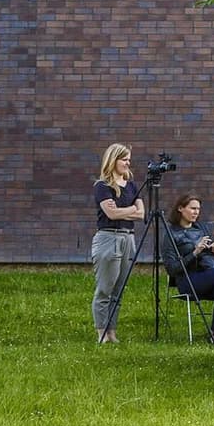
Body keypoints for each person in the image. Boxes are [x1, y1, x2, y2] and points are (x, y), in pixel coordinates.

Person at [89, 143, 144, 344]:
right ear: (113, 160)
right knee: (105, 288)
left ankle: (112, 332)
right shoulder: (102, 186)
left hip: (128, 238)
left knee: (119, 289)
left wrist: (125, 211)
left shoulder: (131, 186)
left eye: (129, 160)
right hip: (108, 238)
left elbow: (141, 214)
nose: (127, 163)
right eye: (124, 159)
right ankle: (101, 332)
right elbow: (110, 214)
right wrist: (129, 210)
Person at [159, 191, 214, 343]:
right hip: (188, 281)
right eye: (192, 208)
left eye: (198, 209)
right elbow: (172, 269)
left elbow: (212, 255)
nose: (196, 212)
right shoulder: (171, 235)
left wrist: (213, 247)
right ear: (180, 209)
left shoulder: (201, 228)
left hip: (209, 274)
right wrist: (195, 252)